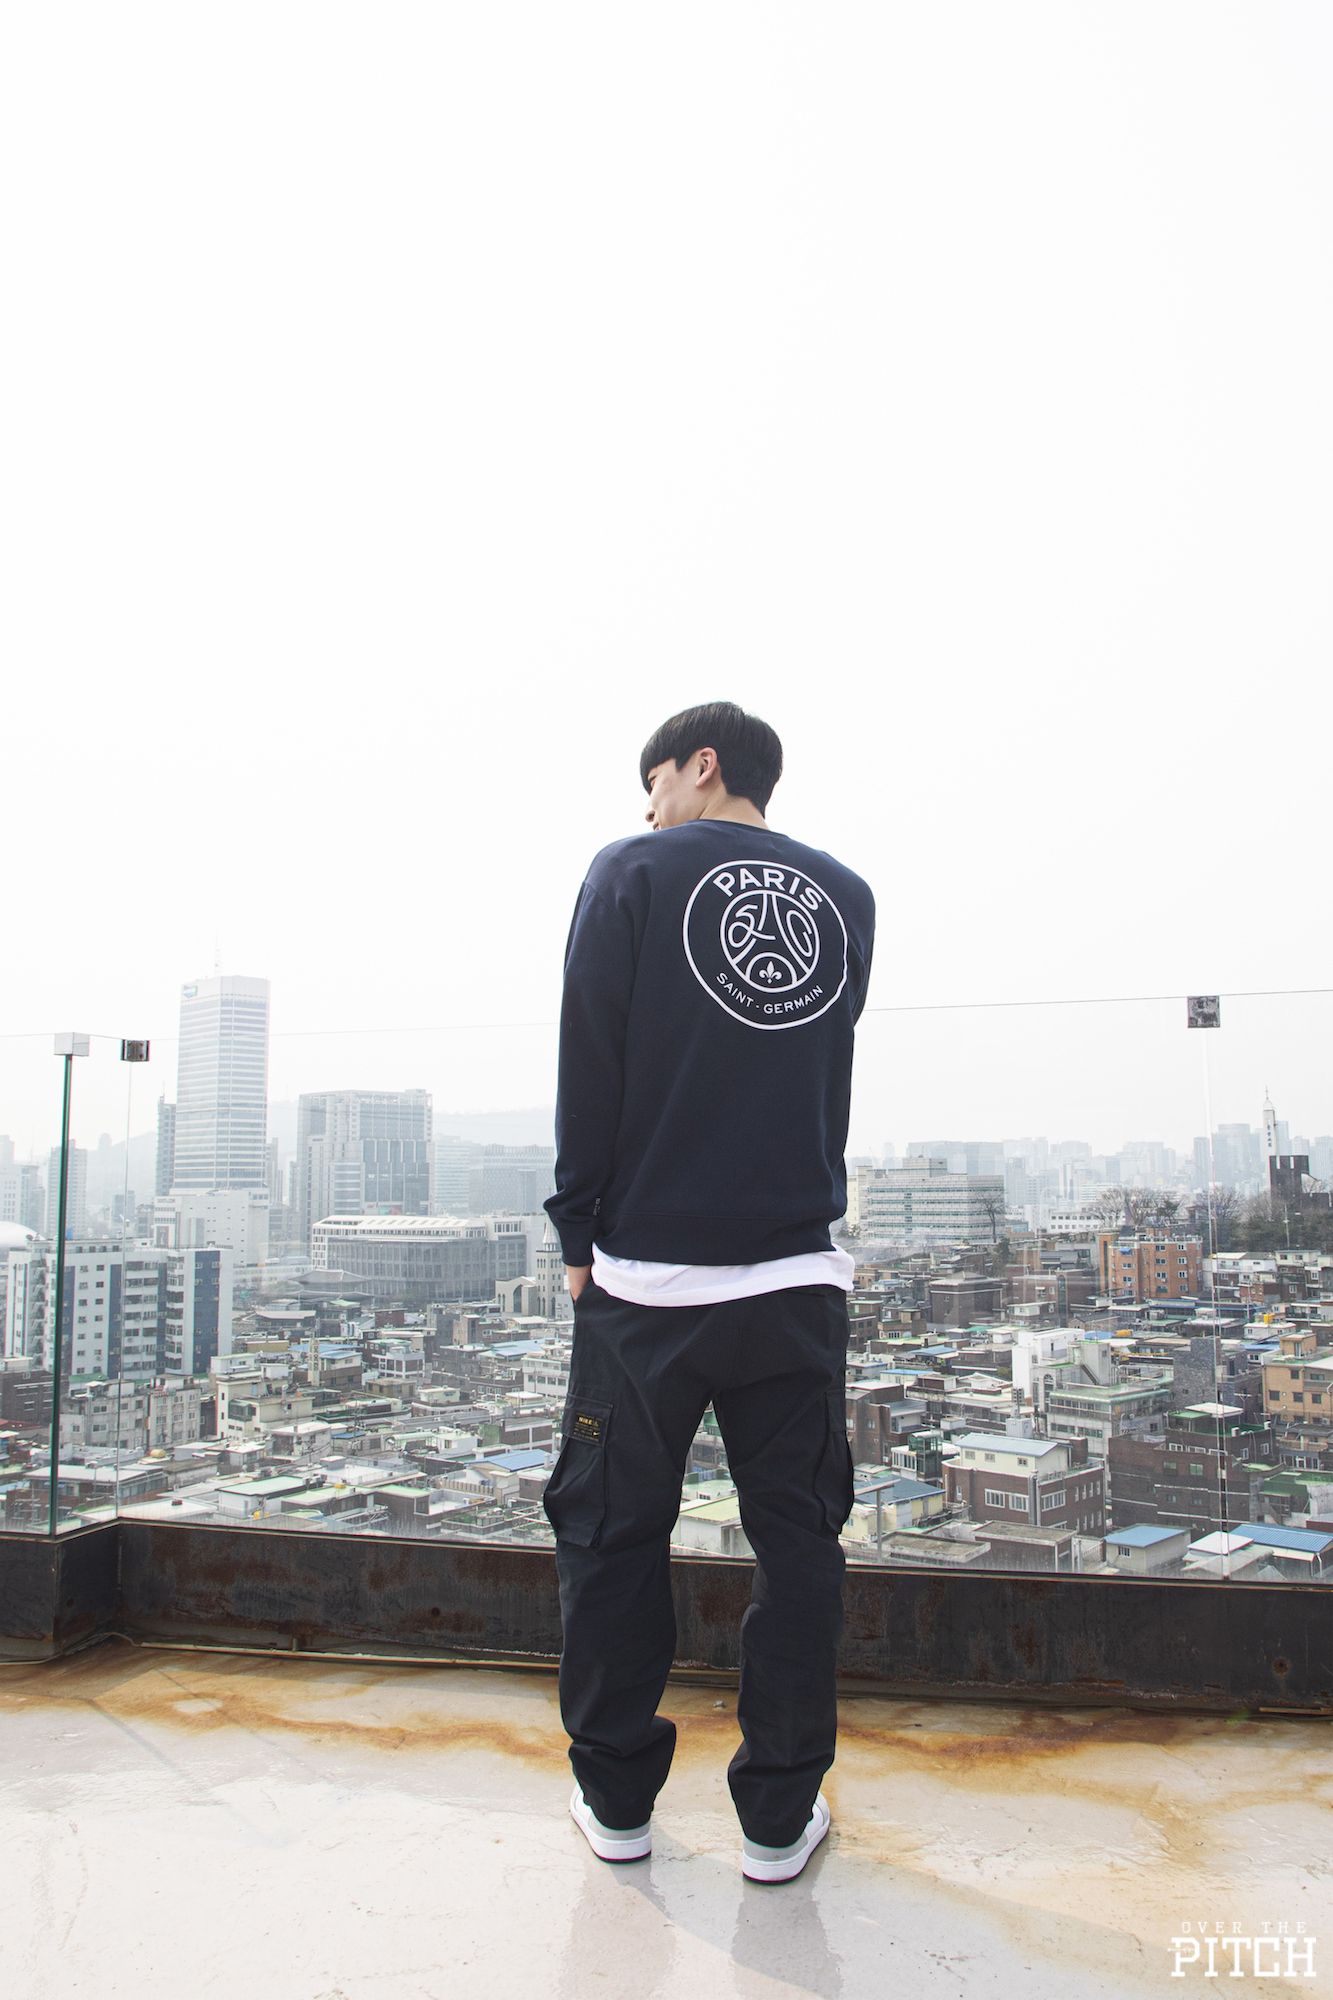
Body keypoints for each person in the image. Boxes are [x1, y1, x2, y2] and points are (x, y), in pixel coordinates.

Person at [542, 700, 876, 1883]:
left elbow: (590, 1050)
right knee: (798, 1543)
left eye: (655, 786)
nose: (649, 813)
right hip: (794, 1277)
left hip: (646, 1282)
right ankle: (777, 1817)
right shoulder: (846, 896)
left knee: (612, 1533)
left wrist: (575, 1224)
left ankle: (617, 1799)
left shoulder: (628, 871)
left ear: (701, 762)